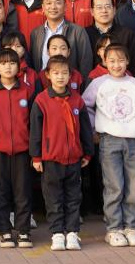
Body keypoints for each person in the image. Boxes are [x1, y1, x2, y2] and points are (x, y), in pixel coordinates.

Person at [82, 43, 135, 248]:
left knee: (134, 186)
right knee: (114, 185)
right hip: (109, 140)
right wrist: (93, 129)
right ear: (104, 61)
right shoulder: (98, 83)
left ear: (128, 61)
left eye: (121, 60)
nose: (116, 65)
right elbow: (85, 105)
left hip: (134, 140)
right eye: (111, 61)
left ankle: (132, 227)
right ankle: (113, 228)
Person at [31, 55, 92, 252]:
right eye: (56, 73)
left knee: (74, 197)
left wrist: (87, 153)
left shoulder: (77, 100)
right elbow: (35, 131)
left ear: (70, 76)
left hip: (74, 158)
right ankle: (57, 233)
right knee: (53, 198)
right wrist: (36, 156)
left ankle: (72, 233)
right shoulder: (41, 100)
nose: (60, 77)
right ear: (48, 75)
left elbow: (85, 129)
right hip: (51, 159)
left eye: (64, 73)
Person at [0, 48, 35, 248]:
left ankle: (23, 231)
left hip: (23, 149)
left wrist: (35, 150)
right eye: (3, 63)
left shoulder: (28, 91)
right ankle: (4, 231)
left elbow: (35, 124)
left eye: (12, 63)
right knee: (0, 191)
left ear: (19, 67)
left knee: (23, 192)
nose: (8, 67)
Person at [28, 0, 94, 76]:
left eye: (58, 3)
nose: (53, 7)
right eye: (49, 3)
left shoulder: (78, 32)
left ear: (65, 7)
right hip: (42, 83)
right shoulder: (36, 33)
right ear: (43, 7)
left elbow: (86, 64)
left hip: (70, 83)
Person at [85, 0, 135, 75]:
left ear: (114, 10)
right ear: (92, 11)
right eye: (99, 7)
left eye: (108, 7)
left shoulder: (127, 34)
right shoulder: (85, 34)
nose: (104, 11)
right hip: (92, 80)